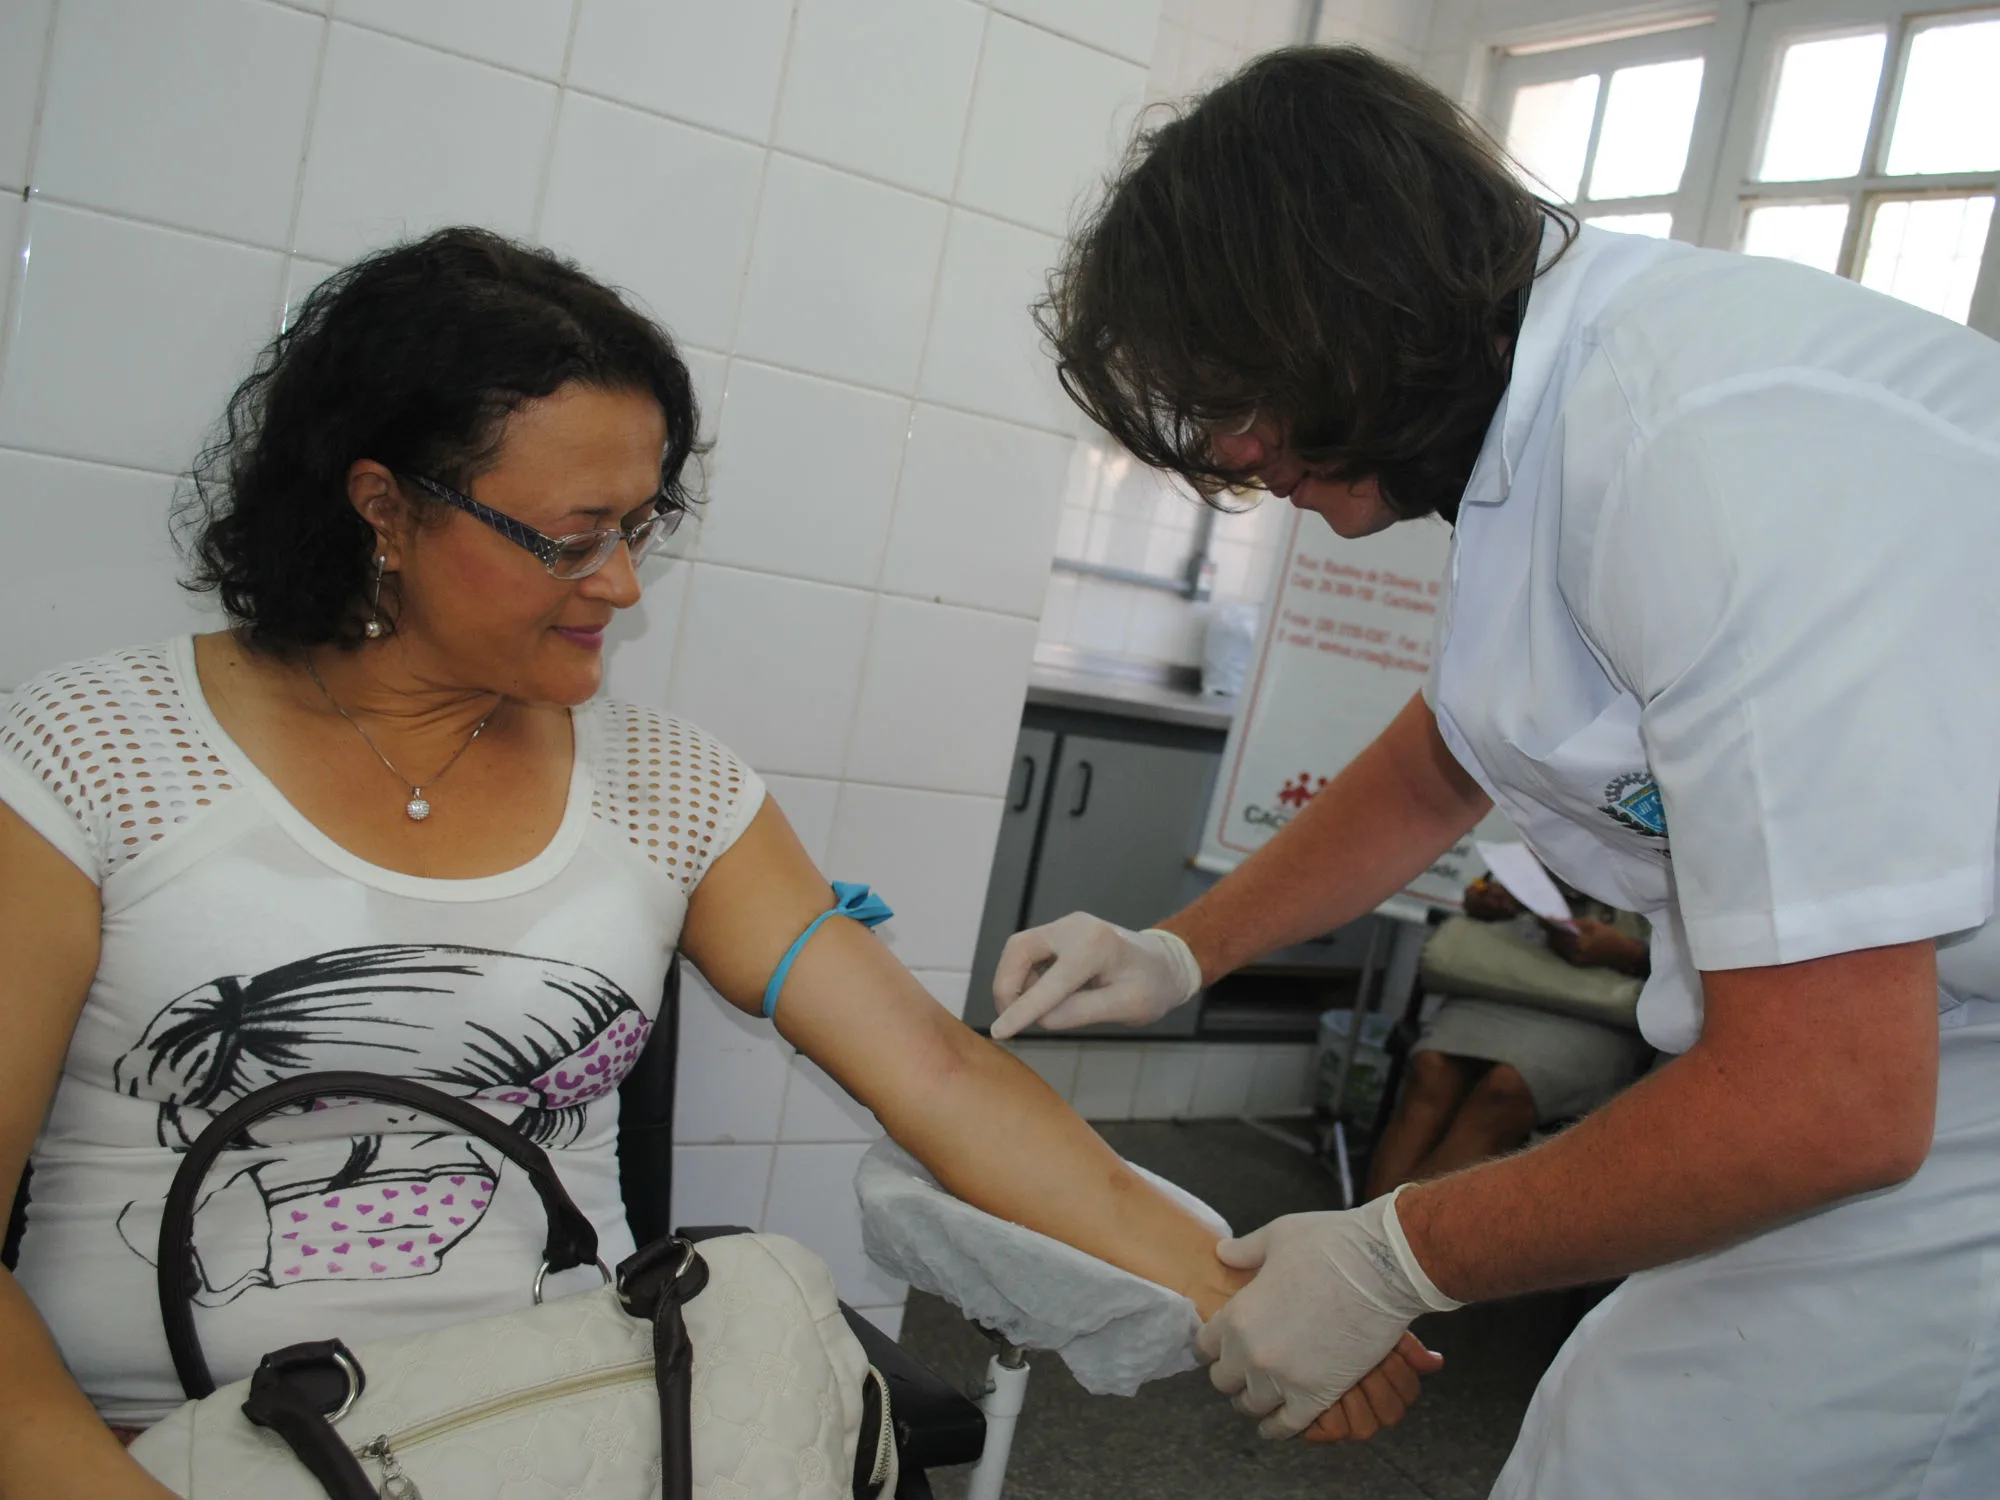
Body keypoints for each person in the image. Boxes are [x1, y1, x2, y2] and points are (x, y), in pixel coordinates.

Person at [0, 228, 1437, 1499]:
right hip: (166, 1444)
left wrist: (1242, 1291)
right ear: (383, 505)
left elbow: (931, 1073)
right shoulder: (91, 758)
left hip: (572, 1431)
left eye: (642, 527)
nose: (621, 582)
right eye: (572, 538)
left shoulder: (675, 792)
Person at [993, 44, 2000, 1497]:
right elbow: (1454, 750)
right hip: (1919, 1049)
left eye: (1242, 394)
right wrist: (1176, 949)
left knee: (1649, 1459)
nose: (1238, 452)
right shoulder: (1542, 430)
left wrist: (1399, 1255)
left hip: (1918, 1071)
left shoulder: (1702, 452)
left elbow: (1832, 1097)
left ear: (1351, 305)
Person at [1364, 875, 1649, 1198]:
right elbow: (1500, 880)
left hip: (1604, 1001)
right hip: (1516, 975)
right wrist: (1492, 897)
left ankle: (1393, 1237)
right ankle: (1368, 1226)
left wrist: (1632, 952)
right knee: (1431, 1069)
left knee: (1505, 1089)